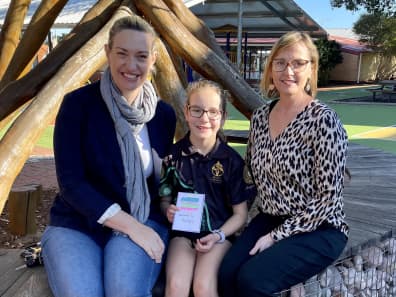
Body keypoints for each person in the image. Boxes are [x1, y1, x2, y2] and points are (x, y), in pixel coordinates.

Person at [41, 15, 176, 297]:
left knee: (124, 290)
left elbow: (162, 181)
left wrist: (170, 198)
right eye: (122, 54)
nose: (131, 65)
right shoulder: (78, 105)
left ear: (153, 60)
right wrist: (130, 226)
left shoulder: (163, 116)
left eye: (141, 56)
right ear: (107, 53)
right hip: (78, 222)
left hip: (143, 217)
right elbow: (71, 184)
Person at [218, 31, 349, 297]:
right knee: (225, 274)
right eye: (280, 62)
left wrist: (276, 236)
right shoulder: (260, 117)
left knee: (252, 280)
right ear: (271, 68)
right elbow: (252, 177)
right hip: (269, 218)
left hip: (319, 226)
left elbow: (328, 200)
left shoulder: (323, 120)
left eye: (298, 63)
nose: (288, 70)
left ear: (311, 68)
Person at [159, 80, 255, 297]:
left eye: (212, 112)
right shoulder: (172, 157)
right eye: (197, 110)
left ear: (222, 117)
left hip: (218, 236)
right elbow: (164, 198)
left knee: (203, 285)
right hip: (183, 235)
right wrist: (168, 210)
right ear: (186, 111)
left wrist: (218, 235)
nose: (204, 118)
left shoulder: (231, 161)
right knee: (176, 285)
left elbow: (240, 215)